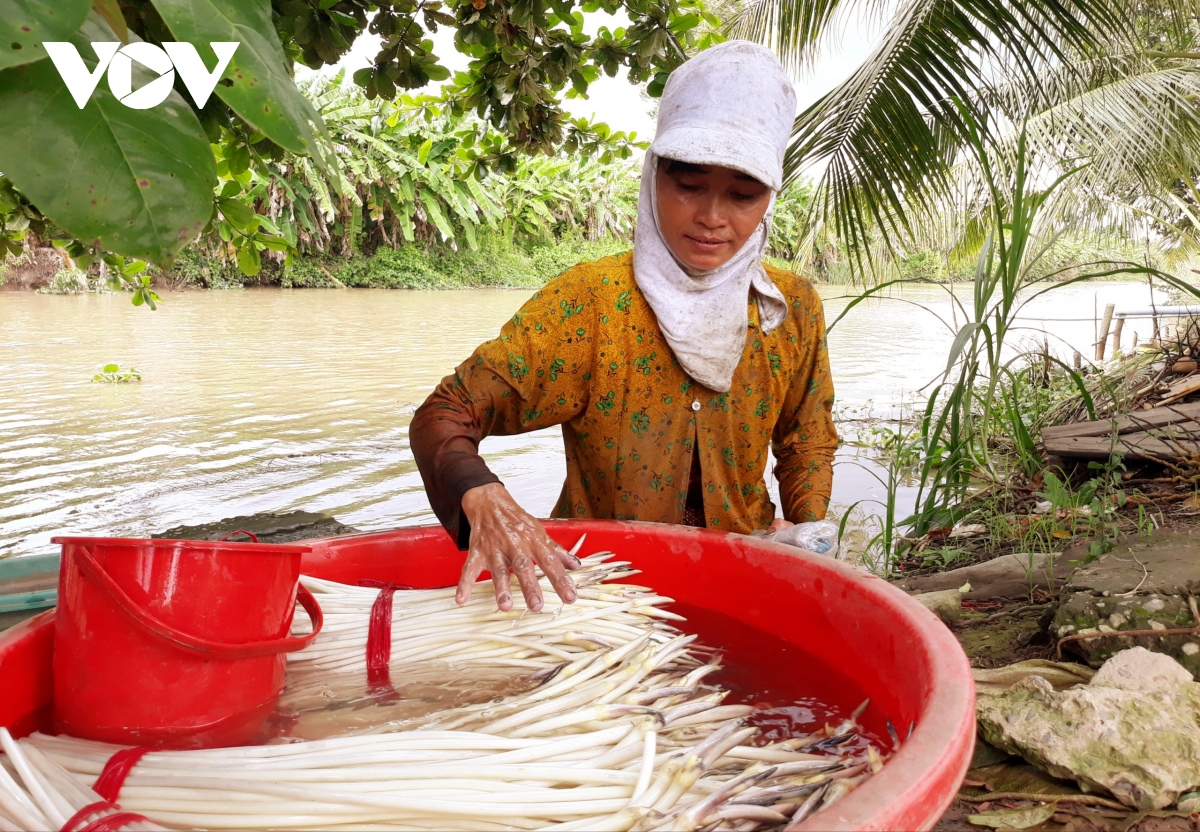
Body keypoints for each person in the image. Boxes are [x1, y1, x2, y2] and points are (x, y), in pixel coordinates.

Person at [411, 40, 838, 612]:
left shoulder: (791, 307)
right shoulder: (591, 303)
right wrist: (479, 492)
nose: (712, 217)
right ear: (654, 175)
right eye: (689, 185)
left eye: (743, 195)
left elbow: (806, 436)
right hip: (600, 590)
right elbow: (443, 414)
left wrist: (810, 530)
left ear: (769, 197)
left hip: (745, 572)